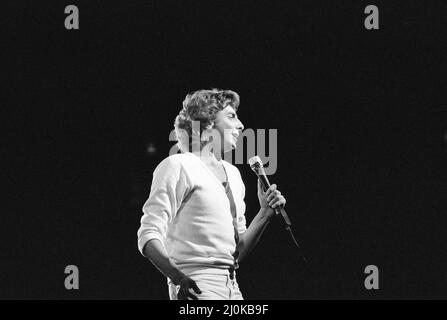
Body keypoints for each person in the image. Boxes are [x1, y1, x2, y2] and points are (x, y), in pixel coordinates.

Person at [137, 88, 286, 300]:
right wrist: (178, 278)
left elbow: (237, 252)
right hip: (196, 284)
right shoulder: (179, 165)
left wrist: (264, 214)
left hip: (232, 286)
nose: (241, 125)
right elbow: (148, 235)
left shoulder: (234, 175)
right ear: (207, 123)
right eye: (231, 116)